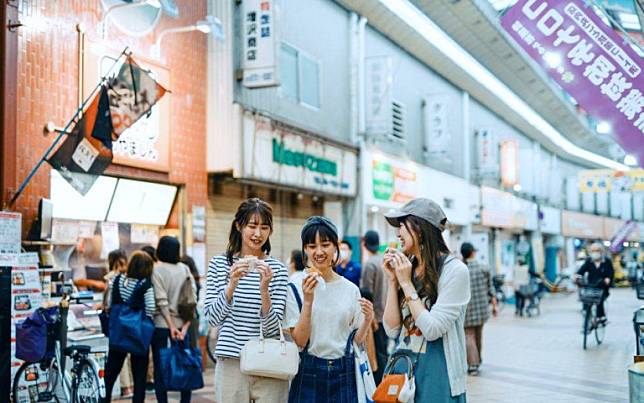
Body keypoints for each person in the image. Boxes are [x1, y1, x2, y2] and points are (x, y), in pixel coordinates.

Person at [382, 198, 469, 402]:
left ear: (419, 229)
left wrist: (406, 284)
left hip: (438, 376)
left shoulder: (455, 271)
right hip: (403, 370)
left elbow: (432, 330)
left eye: (402, 225)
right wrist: (392, 282)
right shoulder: (407, 269)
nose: (398, 233)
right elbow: (392, 329)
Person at [204, 198, 289, 402]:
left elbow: (273, 328)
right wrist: (231, 285)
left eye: (264, 227)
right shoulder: (219, 264)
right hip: (231, 362)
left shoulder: (277, 270)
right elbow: (212, 319)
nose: (258, 233)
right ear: (238, 225)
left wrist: (264, 290)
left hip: (269, 363)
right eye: (252, 226)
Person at [285, 216, 374, 402]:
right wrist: (308, 301)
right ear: (305, 250)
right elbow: (300, 341)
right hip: (307, 371)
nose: (319, 252)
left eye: (325, 244)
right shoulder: (294, 286)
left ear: (335, 246)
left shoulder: (351, 289)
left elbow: (355, 342)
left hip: (344, 372)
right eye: (311, 246)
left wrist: (367, 320)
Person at [103, 251, 156, 403]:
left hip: (119, 333)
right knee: (139, 377)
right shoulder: (145, 285)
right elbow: (151, 309)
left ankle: (104, 399)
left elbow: (110, 303)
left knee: (111, 373)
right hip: (138, 335)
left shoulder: (117, 280)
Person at [151, 236, 196, 403]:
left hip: (162, 326)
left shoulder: (156, 270)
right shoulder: (184, 268)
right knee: (185, 363)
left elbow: (161, 301)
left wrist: (171, 326)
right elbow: (192, 299)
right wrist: (183, 327)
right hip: (183, 325)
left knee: (160, 367)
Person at [102, 249, 134, 398]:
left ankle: (125, 388)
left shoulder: (111, 278)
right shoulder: (132, 277)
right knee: (127, 355)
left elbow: (107, 303)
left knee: (117, 356)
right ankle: (129, 387)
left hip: (116, 322)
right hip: (130, 321)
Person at [460, 242, 497, 376]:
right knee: (478, 334)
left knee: (469, 336)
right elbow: (491, 288)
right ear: (473, 253)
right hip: (482, 309)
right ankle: (477, 360)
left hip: (466, 310)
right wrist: (494, 305)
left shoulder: (460, 269)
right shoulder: (484, 268)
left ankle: (472, 364)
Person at [359, 229, 388, 384]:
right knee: (383, 351)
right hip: (386, 314)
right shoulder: (383, 261)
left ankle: (378, 385)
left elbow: (366, 292)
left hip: (374, 317)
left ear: (365, 243)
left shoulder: (369, 264)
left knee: (375, 353)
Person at [576, 242, 614, 323]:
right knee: (586, 298)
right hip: (591, 285)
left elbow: (611, 273)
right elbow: (580, 272)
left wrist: (608, 279)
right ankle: (586, 313)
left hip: (602, 286)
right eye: (593, 251)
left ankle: (601, 317)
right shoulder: (589, 261)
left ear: (601, 251)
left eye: (597, 250)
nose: (595, 253)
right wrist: (577, 277)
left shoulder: (607, 261)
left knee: (599, 300)